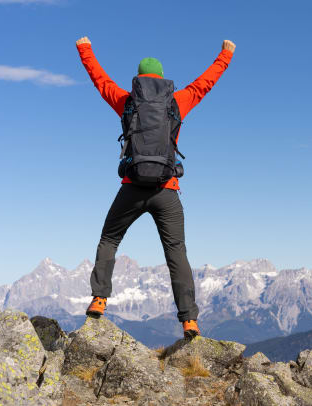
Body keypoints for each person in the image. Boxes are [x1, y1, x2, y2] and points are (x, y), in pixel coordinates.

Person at [75, 36, 235, 338]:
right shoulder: (177, 103)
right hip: (167, 189)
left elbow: (100, 80)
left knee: (109, 239)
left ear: (138, 80)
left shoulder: (126, 102)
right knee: (176, 252)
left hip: (132, 186)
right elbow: (205, 84)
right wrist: (225, 56)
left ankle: (99, 299)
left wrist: (85, 50)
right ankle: (189, 319)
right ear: (162, 80)